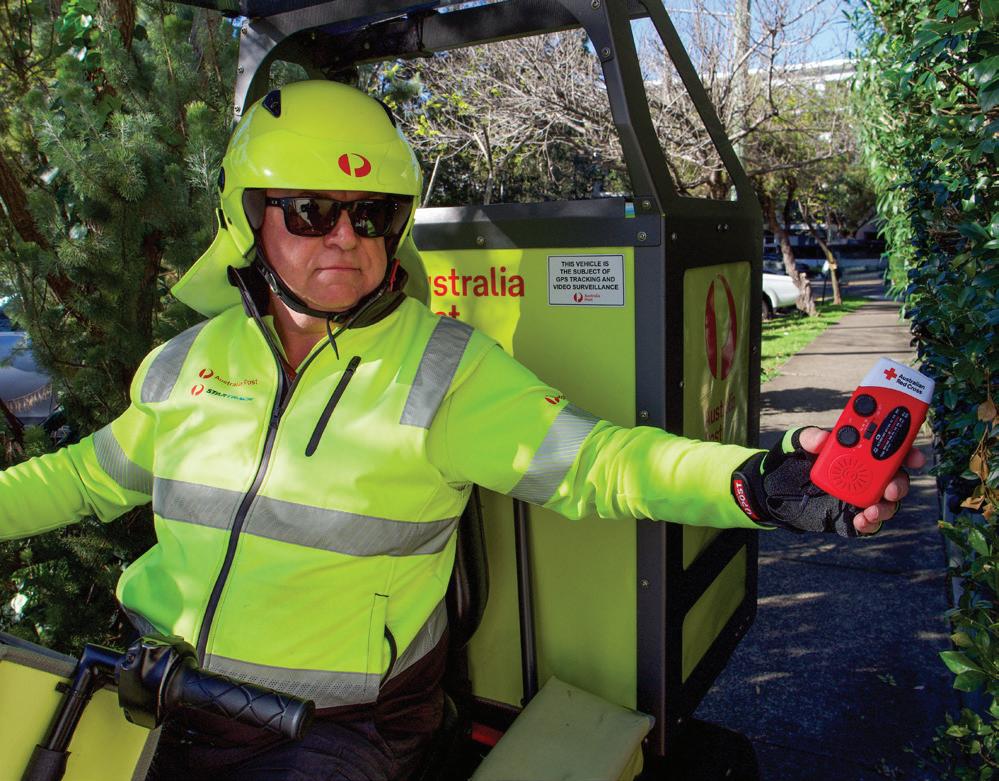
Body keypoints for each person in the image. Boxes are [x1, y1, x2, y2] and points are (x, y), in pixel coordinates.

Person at [0, 80, 924, 780]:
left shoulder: (446, 370)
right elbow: (82, 478)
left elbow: (597, 462)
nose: (346, 238)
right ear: (247, 219)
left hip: (331, 734)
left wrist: (758, 482)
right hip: (157, 697)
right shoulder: (186, 362)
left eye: (373, 213)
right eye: (311, 210)